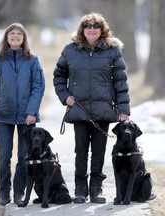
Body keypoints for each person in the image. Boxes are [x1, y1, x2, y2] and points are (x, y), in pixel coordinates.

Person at [53, 12, 130, 204]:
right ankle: (80, 189)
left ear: (102, 30)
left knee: (98, 151)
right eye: (88, 26)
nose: (92, 29)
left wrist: (123, 109)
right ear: (82, 29)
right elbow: (59, 76)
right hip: (79, 109)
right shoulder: (70, 50)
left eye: (96, 26)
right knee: (81, 151)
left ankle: (96, 189)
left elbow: (121, 82)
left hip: (103, 110)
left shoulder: (112, 51)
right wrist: (65, 96)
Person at [0, 22, 45, 206]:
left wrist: (31, 112)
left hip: (26, 116)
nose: (15, 36)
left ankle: (19, 192)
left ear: (24, 39)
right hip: (4, 114)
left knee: (24, 156)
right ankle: (3, 193)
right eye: (11, 34)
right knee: (4, 155)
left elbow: (38, 87)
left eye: (19, 34)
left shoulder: (33, 60)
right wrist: (5, 96)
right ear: (6, 37)